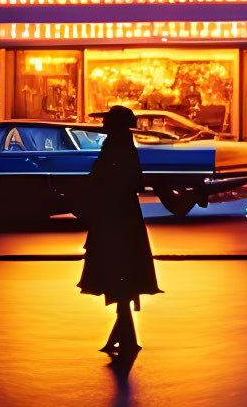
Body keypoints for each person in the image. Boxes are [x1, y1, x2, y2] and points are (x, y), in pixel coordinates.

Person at [77, 105, 160, 357]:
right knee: (123, 275)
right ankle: (124, 336)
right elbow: (137, 183)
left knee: (115, 271)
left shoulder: (114, 148)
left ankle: (125, 337)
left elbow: (101, 181)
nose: (102, 124)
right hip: (125, 217)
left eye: (107, 121)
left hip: (114, 219)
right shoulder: (126, 147)